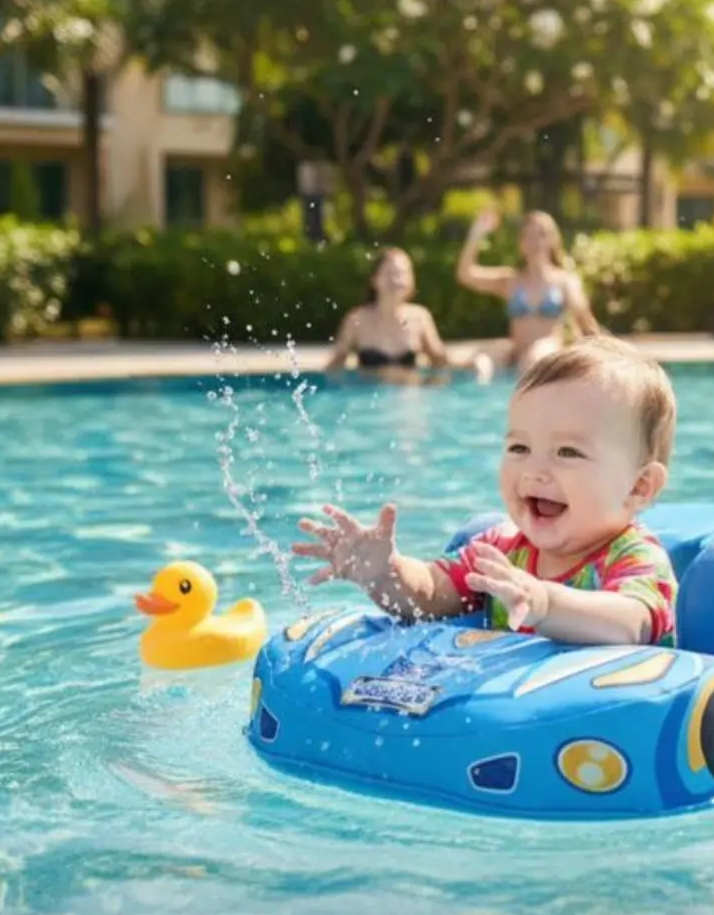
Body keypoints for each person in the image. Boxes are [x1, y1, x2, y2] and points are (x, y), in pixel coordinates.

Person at [291, 338, 679, 648]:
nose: (534, 470)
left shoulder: (634, 556)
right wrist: (385, 573)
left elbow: (632, 623)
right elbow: (432, 594)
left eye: (568, 452)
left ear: (639, 487)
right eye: (519, 448)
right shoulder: (502, 549)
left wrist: (544, 603)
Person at [455, 208, 603, 373]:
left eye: (541, 234)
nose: (535, 241)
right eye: (529, 235)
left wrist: (600, 350)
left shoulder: (565, 281)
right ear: (521, 243)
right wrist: (477, 233)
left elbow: (584, 319)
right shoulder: (511, 281)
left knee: (533, 359)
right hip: (516, 351)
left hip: (547, 351)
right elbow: (465, 274)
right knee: (480, 364)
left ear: (552, 239)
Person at [326, 248, 453, 377]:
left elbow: (441, 363)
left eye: (402, 273)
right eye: (390, 273)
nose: (396, 279)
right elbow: (334, 368)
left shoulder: (420, 317)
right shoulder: (357, 320)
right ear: (374, 279)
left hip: (409, 389)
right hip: (369, 390)